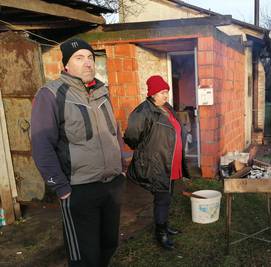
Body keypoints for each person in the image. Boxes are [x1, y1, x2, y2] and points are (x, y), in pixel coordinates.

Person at [31, 38, 125, 266]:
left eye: (90, 57)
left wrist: (121, 167)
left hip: (111, 186)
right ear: (66, 65)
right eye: (79, 58)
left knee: (108, 245)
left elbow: (115, 133)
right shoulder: (52, 94)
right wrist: (61, 188)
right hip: (78, 190)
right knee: (84, 257)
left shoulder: (103, 91)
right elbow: (41, 144)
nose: (87, 63)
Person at [123, 75, 189, 250]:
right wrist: (145, 151)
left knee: (167, 197)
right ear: (152, 93)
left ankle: (165, 226)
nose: (166, 95)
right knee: (162, 199)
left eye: (167, 91)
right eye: (162, 92)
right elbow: (131, 136)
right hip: (157, 163)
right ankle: (160, 233)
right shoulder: (143, 111)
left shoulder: (167, 108)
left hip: (171, 163)